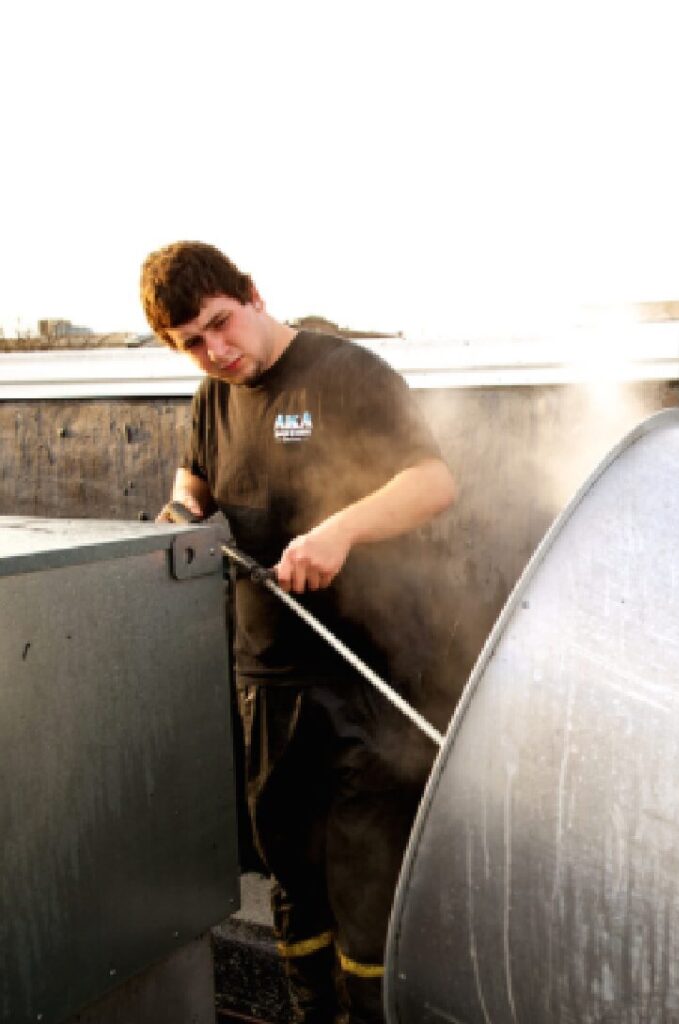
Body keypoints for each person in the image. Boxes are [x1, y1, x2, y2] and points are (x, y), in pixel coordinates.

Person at [140, 241, 456, 1024]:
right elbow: (196, 483)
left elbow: (433, 481)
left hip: (366, 680)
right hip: (267, 683)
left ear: (251, 293)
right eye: (192, 344)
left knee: (364, 879)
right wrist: (180, 515)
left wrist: (341, 532)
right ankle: (311, 1012)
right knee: (292, 874)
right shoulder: (211, 397)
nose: (217, 351)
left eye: (220, 324)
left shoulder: (346, 373)